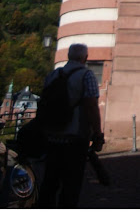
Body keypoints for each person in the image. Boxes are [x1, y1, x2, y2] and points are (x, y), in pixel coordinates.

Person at [38, 43, 104, 208]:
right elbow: (91, 106)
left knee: (49, 182)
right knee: (71, 185)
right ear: (85, 57)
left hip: (52, 136)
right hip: (75, 137)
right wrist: (97, 133)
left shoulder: (53, 75)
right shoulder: (86, 75)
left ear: (68, 56)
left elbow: (43, 104)